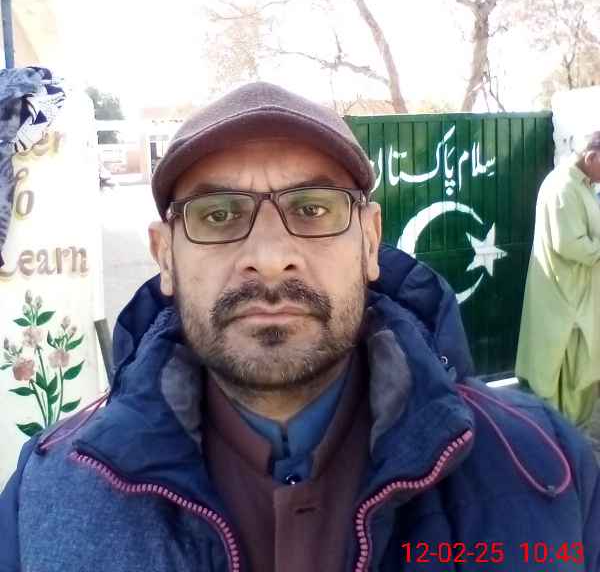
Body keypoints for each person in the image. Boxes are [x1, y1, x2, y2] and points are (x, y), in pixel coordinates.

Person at [1, 82, 599, 572]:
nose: (268, 257)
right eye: (218, 214)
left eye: (313, 209)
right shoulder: (49, 494)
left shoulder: (545, 469)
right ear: (166, 257)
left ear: (369, 242)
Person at [516, 131, 600, 429]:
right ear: (591, 156)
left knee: (582, 372)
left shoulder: (582, 185)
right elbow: (570, 244)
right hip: (565, 299)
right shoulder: (563, 187)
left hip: (579, 295)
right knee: (563, 372)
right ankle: (559, 437)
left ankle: (569, 433)